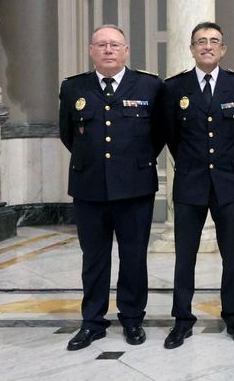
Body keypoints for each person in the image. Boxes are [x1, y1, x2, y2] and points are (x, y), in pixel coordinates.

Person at [58, 25, 165, 350]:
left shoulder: (150, 86)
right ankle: (93, 322)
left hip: (134, 188)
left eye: (114, 45)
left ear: (126, 51)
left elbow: (159, 134)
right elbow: (68, 134)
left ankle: (132, 320)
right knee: (94, 259)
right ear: (92, 50)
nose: (108, 50)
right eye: (101, 45)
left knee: (134, 258)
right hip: (89, 188)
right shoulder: (73, 87)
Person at [162, 22, 234, 349]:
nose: (207, 46)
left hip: (228, 183)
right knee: (184, 256)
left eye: (214, 41)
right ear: (191, 48)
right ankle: (182, 320)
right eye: (200, 41)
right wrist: (194, 164)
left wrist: (226, 165)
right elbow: (171, 137)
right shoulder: (174, 88)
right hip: (190, 183)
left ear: (223, 49)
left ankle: (233, 317)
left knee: (232, 255)